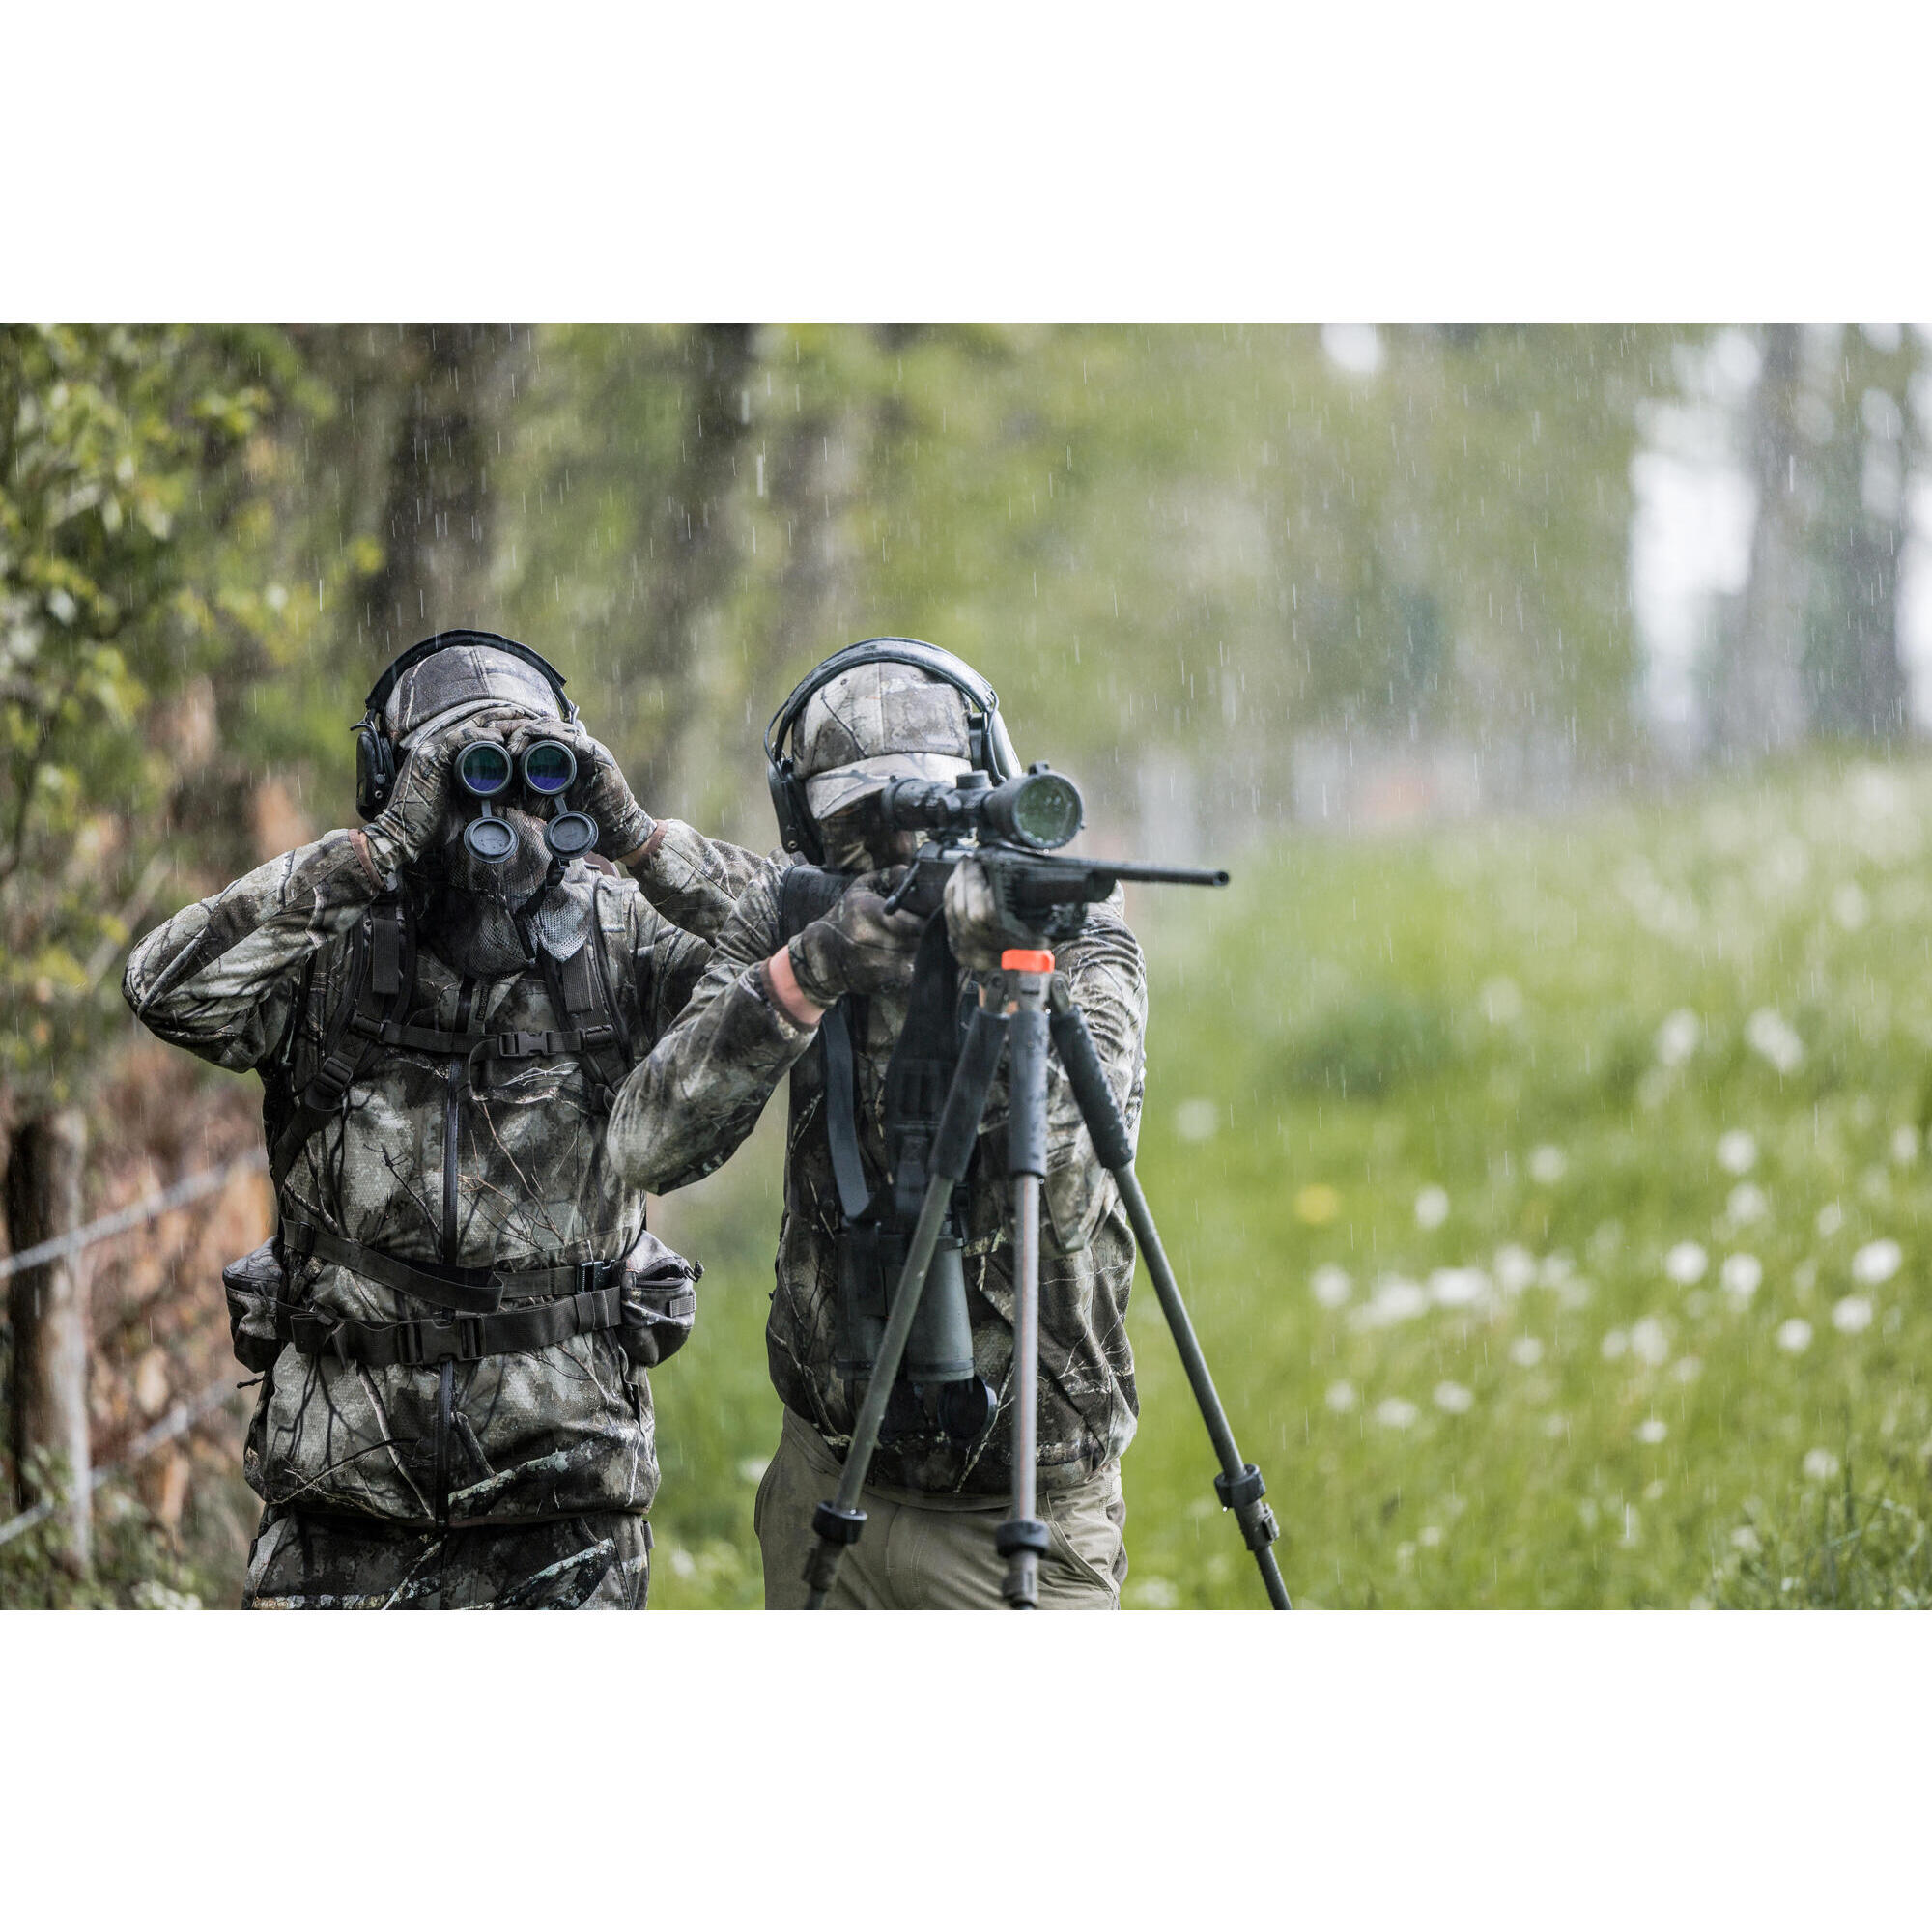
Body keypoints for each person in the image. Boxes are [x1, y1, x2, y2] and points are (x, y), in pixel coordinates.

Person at [123, 630, 760, 1608]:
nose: (493, 814)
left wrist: (635, 835)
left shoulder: (619, 934)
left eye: (525, 780)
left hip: (565, 1493)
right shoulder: (332, 940)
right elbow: (165, 984)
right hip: (338, 1500)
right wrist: (375, 850)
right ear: (391, 779)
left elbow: (785, 945)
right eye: (464, 780)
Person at [606, 638, 1149, 1608]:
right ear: (809, 831)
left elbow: (1073, 1177)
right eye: (858, 821)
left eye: (928, 808)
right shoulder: (802, 920)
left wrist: (1001, 976)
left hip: (1019, 1510)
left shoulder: (1076, 934)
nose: (898, 849)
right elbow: (645, 1144)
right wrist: (806, 972)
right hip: (827, 1481)